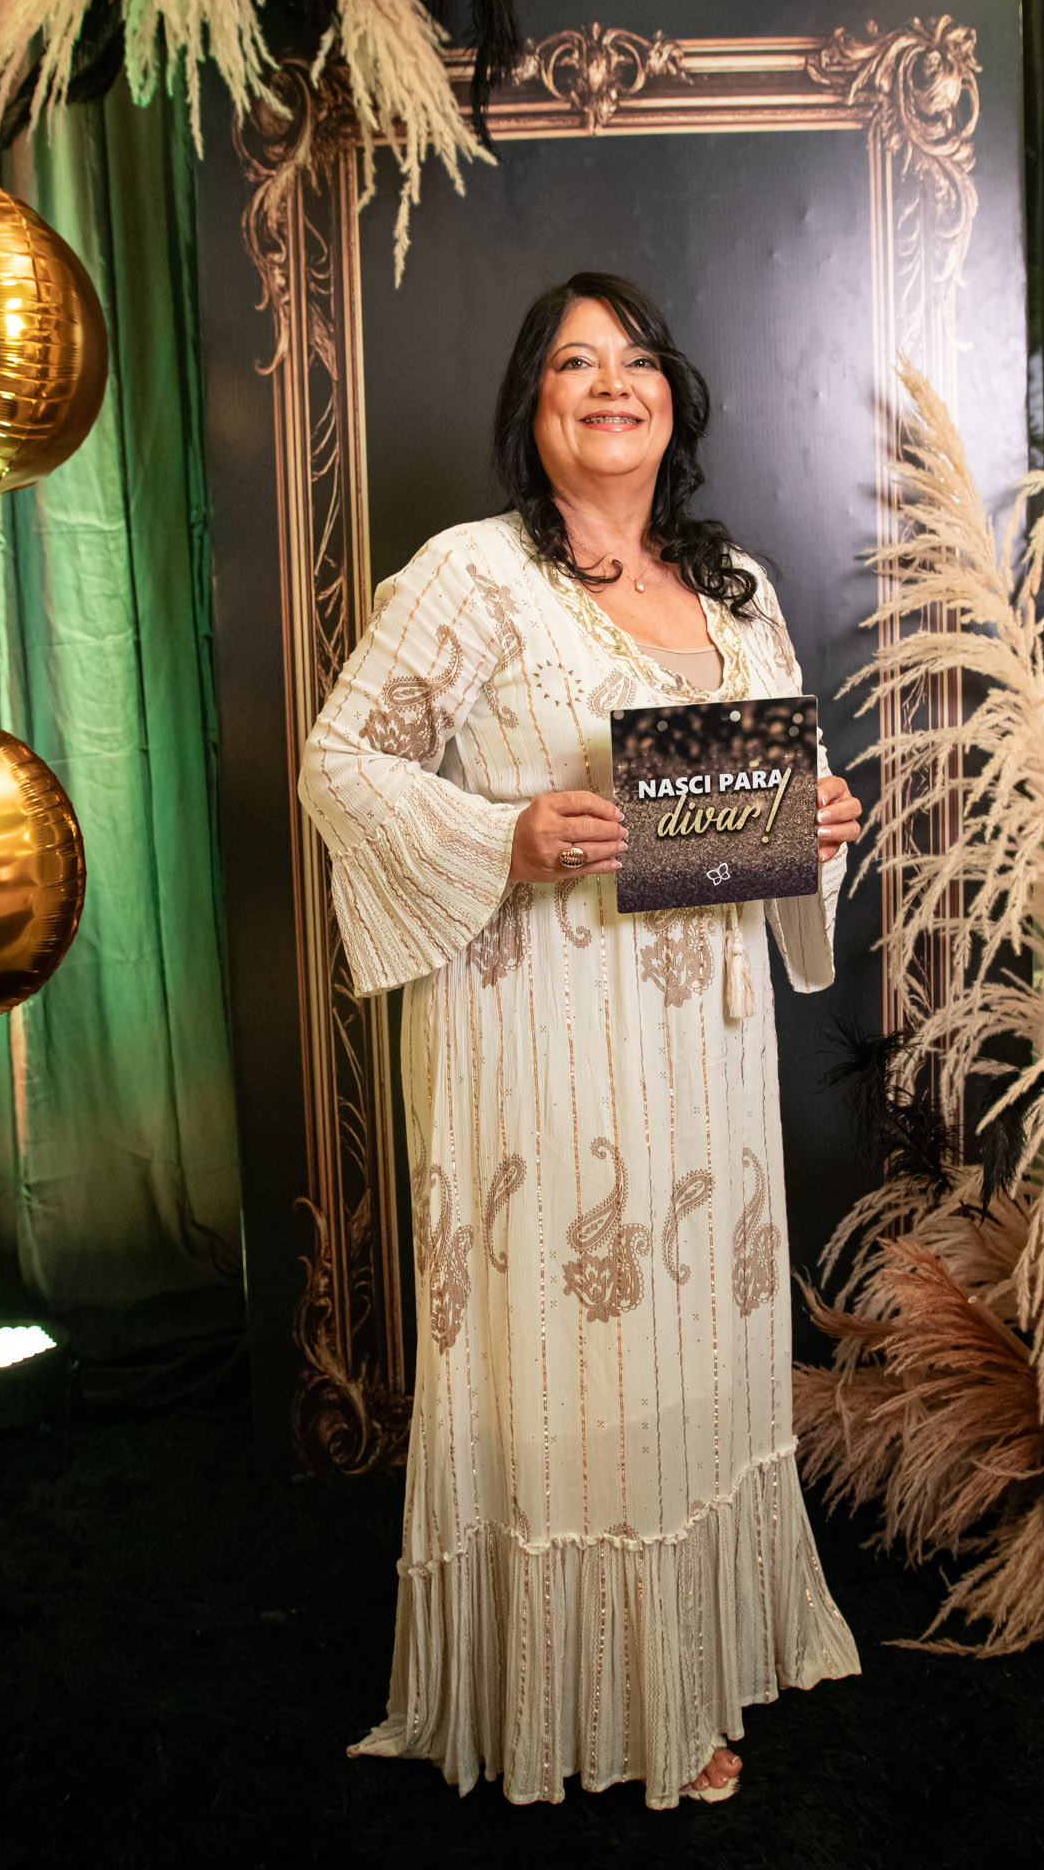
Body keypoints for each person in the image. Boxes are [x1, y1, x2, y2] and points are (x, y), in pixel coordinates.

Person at [299, 271, 862, 1808]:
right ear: (530, 407)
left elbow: (760, 814)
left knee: (693, 1350)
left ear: (672, 395)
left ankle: (698, 1649)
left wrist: (817, 821)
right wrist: (503, 835)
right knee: (579, 1359)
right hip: (542, 1046)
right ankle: (601, 1703)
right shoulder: (470, 576)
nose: (608, 382)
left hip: (705, 1058)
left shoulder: (734, 586)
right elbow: (340, 766)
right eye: (570, 362)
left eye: (632, 359)